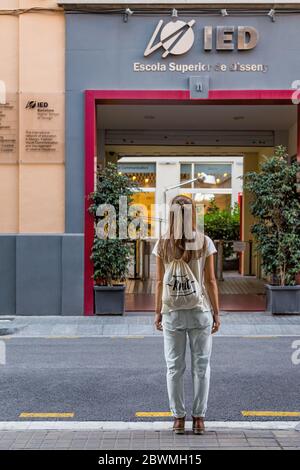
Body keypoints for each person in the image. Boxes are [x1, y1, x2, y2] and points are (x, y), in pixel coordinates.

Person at [152, 194, 220, 435]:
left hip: (172, 313)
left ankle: (178, 419)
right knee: (201, 366)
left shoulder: (162, 244)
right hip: (200, 312)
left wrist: (158, 312)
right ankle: (199, 419)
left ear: (171, 214)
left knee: (174, 367)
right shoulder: (204, 241)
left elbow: (160, 281)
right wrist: (216, 313)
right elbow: (211, 281)